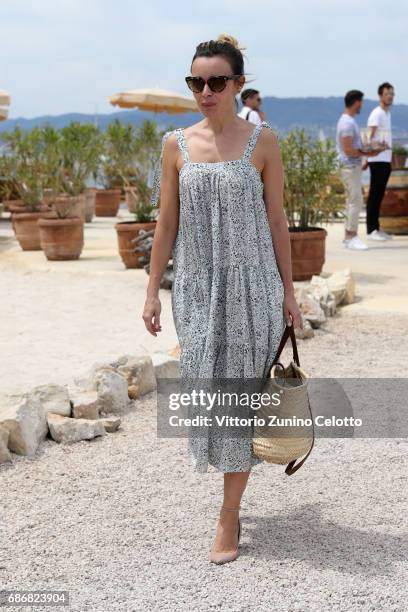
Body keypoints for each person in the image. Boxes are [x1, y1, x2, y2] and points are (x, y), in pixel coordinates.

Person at [142, 32, 302, 565]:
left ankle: (228, 514)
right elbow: (166, 223)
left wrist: (289, 291)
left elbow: (277, 220)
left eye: (215, 81)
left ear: (237, 84)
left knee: (239, 398)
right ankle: (234, 489)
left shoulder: (264, 142)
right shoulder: (176, 144)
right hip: (197, 289)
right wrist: (151, 292)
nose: (204, 90)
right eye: (196, 81)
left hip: (252, 287)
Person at [336, 90, 380, 250]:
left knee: (352, 201)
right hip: (349, 165)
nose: (362, 105)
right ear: (356, 102)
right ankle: (351, 236)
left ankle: (349, 236)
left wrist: (366, 154)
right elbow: (348, 149)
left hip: (351, 165)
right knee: (356, 201)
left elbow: (351, 148)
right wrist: (368, 153)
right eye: (361, 101)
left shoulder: (348, 121)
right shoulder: (347, 123)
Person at [366, 82, 395, 241]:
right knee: (374, 195)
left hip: (385, 160)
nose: (390, 96)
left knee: (379, 195)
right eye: (387, 93)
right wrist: (366, 157)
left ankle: (376, 228)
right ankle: (371, 230)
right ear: (380, 96)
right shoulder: (377, 114)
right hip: (377, 159)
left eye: (392, 94)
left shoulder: (387, 114)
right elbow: (368, 138)